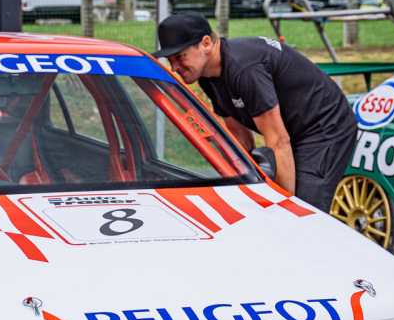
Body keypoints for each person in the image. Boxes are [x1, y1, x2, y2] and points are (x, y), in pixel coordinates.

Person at [153, 11, 357, 210]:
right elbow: (240, 136)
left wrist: (283, 208)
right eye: (170, 60)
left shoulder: (244, 69)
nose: (174, 67)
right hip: (294, 130)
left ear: (206, 44)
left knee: (304, 211)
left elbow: (278, 140)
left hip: (326, 128)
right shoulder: (208, 75)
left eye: (180, 57)